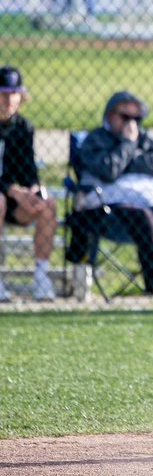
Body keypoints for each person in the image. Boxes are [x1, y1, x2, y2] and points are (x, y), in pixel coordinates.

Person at [76, 91, 153, 303]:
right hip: (108, 206)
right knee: (144, 217)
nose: (131, 124)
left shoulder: (146, 138)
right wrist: (128, 145)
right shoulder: (94, 139)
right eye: (125, 117)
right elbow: (109, 170)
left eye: (136, 119)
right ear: (109, 115)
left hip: (149, 200)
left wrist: (124, 158)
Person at [0, 66, 57, 302]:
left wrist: (33, 189)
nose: (9, 100)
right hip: (4, 197)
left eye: (14, 94)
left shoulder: (23, 128)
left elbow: (27, 170)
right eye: (3, 93)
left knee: (48, 205)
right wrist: (12, 190)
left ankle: (41, 277)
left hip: (14, 200)